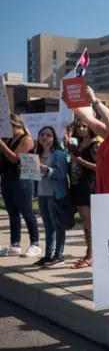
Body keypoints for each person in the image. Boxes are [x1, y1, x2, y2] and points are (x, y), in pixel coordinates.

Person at [0, 114, 40, 257]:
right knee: (13, 214)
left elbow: (14, 158)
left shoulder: (26, 139)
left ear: (14, 124)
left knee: (27, 212)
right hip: (7, 179)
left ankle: (35, 243)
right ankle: (15, 244)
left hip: (21, 180)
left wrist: (2, 145)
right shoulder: (9, 138)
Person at [33, 126, 69, 267]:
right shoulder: (37, 155)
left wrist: (46, 169)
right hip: (42, 194)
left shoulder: (58, 154)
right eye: (42, 134)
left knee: (57, 226)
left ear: (54, 138)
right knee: (48, 227)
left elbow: (61, 174)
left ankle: (59, 255)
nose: (45, 137)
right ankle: (48, 255)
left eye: (48, 135)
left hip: (55, 194)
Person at [67, 118, 100, 268]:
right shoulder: (81, 143)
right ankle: (90, 253)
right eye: (79, 126)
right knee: (86, 223)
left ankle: (91, 255)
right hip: (78, 185)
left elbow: (99, 167)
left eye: (84, 126)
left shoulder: (95, 144)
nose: (81, 129)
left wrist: (80, 161)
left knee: (89, 222)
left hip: (89, 186)